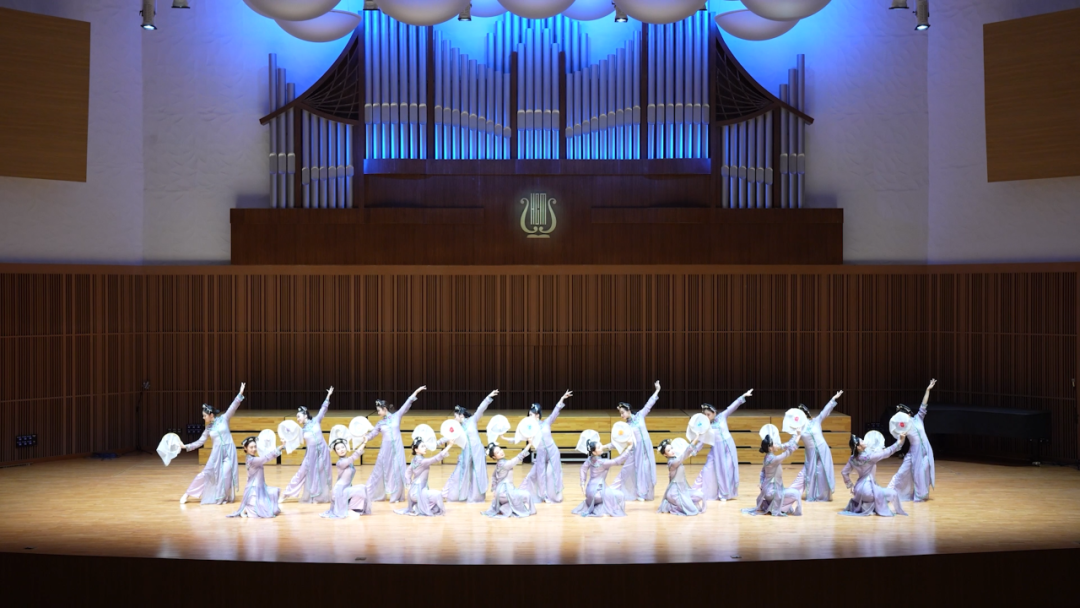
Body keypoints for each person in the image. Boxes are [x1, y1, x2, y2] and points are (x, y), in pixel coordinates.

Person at [180, 382, 246, 505]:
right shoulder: (208, 428)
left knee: (225, 475)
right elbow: (200, 442)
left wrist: (240, 394)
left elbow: (233, 407)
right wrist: (186, 446)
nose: (203, 418)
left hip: (229, 452)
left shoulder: (224, 419)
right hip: (216, 454)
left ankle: (221, 497)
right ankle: (187, 494)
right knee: (204, 474)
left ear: (211, 415)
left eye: (204, 416)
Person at [362, 385, 427, 503]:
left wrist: (416, 391)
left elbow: (407, 403)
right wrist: (366, 437)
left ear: (384, 408)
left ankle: (396, 496)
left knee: (397, 470)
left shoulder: (397, 416)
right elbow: (372, 434)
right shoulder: (380, 423)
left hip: (397, 448)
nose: (378, 412)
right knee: (378, 471)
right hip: (385, 450)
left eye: (379, 410)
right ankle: (370, 494)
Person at [692, 389, 753, 502]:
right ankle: (698, 490)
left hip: (728, 447)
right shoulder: (705, 426)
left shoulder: (722, 417)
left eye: (708, 414)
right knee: (708, 468)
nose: (707, 416)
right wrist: (693, 450)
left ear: (714, 412)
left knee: (727, 470)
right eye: (705, 415)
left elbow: (731, 407)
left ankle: (724, 494)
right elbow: (702, 441)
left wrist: (743, 396)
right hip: (716, 449)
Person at [440, 389, 499, 503]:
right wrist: (438, 443)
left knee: (477, 474)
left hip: (478, 451)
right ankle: (448, 494)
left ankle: (476, 497)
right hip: (466, 452)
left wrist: (489, 397)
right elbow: (448, 436)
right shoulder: (457, 427)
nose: (454, 419)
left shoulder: (473, 420)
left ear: (461, 415)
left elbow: (480, 409)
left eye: (455, 416)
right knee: (458, 473)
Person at [281, 387, 334, 504]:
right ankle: (286, 494)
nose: (297, 419)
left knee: (320, 474)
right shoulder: (301, 430)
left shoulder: (316, 421)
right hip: (311, 455)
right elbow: (292, 441)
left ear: (305, 415)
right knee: (301, 473)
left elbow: (323, 409)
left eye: (298, 416)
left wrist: (328, 396)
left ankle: (317, 497)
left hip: (323, 452)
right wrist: (284, 443)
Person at [888, 379, 937, 502]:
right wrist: (900, 439)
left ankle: (920, 495)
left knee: (923, 472)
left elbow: (923, 405)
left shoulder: (918, 418)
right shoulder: (903, 427)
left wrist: (928, 390)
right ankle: (889, 492)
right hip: (914, 452)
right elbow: (899, 440)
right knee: (902, 472)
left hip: (926, 449)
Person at [790, 391, 844, 502]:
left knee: (821, 472)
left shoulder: (815, 421)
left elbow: (825, 412)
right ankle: (789, 493)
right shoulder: (799, 429)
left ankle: (821, 496)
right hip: (811, 454)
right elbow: (792, 442)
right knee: (804, 474)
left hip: (823, 450)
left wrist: (833, 399)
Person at [612, 381, 662, 501]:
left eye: (622, 412)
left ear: (628, 410)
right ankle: (616, 490)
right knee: (632, 470)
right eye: (620, 413)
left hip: (647, 447)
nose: (621, 415)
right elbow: (620, 441)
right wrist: (606, 446)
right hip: (637, 449)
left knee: (647, 469)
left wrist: (657, 390)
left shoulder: (640, 416)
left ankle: (644, 493)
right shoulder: (626, 426)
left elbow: (649, 404)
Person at [521, 390, 572, 503]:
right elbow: (522, 437)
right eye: (529, 415)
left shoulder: (546, 422)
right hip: (541, 454)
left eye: (531, 415)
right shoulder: (530, 428)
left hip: (553, 452)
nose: (529, 417)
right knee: (533, 475)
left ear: (537, 415)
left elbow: (555, 411)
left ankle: (554, 497)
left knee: (550, 474)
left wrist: (562, 398)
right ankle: (527, 495)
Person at [840, 433, 908, 517]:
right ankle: (874, 506)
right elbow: (887, 452)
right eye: (861, 441)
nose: (864, 441)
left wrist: (851, 486)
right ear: (858, 447)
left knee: (880, 492)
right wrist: (900, 441)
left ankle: (867, 505)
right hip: (868, 491)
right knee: (893, 493)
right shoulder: (869, 457)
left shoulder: (852, 459)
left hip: (858, 491)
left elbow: (844, 472)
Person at [742, 428, 803, 517]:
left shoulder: (767, 457)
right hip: (772, 492)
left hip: (767, 490)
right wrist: (799, 435)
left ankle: (778, 507)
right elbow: (789, 451)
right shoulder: (774, 460)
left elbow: (762, 472)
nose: (775, 444)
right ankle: (779, 508)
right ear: (770, 448)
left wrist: (795, 435)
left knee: (789, 493)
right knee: (796, 493)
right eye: (773, 443)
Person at [572, 438, 636, 517]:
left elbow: (583, 469)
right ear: (594, 452)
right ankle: (604, 509)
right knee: (620, 495)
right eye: (599, 447)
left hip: (589, 492)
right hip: (597, 493)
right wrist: (629, 447)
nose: (601, 447)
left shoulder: (590, 459)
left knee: (610, 494)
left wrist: (582, 484)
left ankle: (600, 506)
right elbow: (618, 461)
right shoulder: (603, 462)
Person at [395, 438, 453, 517]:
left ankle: (417, 507)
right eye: (422, 446)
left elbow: (408, 471)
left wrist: (409, 483)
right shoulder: (422, 461)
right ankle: (418, 508)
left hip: (414, 491)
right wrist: (449, 445)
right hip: (418, 492)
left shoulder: (414, 459)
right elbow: (436, 458)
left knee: (435, 503)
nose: (425, 448)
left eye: (425, 446)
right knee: (438, 495)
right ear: (416, 450)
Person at [228, 436, 282, 518]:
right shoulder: (252, 460)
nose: (254, 449)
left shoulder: (251, 458)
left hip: (259, 487)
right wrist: (280, 447)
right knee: (264, 511)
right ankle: (246, 509)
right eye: (251, 447)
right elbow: (266, 458)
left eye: (255, 447)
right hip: (254, 490)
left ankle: (248, 509)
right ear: (245, 448)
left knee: (273, 504)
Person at [482, 441, 536, 518]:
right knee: (527, 495)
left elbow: (493, 476)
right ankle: (529, 511)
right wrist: (529, 444)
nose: (501, 452)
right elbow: (519, 457)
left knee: (520, 495)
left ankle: (505, 507)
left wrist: (494, 490)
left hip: (500, 492)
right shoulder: (506, 464)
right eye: (497, 452)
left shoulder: (499, 463)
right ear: (494, 457)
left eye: (500, 450)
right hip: (505, 492)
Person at [321, 438, 370, 518]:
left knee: (362, 488)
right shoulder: (340, 462)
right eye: (338, 449)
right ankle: (348, 509)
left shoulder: (347, 460)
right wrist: (364, 443)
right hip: (340, 491)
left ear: (346, 448)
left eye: (342, 447)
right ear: (336, 452)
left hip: (345, 488)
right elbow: (354, 456)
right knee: (360, 489)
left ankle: (352, 508)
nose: (341, 450)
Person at [657, 438, 707, 516]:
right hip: (675, 493)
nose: (672, 451)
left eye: (672, 448)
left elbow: (692, 453)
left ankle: (676, 504)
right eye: (669, 450)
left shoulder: (676, 458)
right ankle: (670, 505)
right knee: (693, 510)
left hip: (683, 489)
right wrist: (695, 439)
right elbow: (685, 454)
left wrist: (701, 440)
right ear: (665, 455)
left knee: (701, 495)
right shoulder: (672, 463)